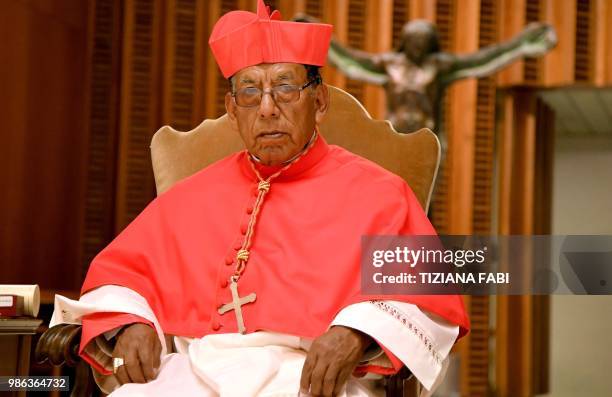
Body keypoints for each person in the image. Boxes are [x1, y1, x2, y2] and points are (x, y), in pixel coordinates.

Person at [51, 1, 469, 396]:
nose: (267, 108)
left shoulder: (380, 194)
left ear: (319, 101)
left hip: (311, 377)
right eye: (250, 92)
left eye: (285, 88)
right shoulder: (193, 194)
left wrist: (358, 332)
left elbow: (424, 296)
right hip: (189, 371)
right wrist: (130, 321)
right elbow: (121, 276)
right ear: (233, 111)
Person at [295, 15, 556, 151]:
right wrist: (313, 33)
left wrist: (520, 45)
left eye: (423, 40)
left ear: (430, 43)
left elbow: (482, 60)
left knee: (423, 200)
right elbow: (349, 59)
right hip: (393, 135)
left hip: (429, 137)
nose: (417, 45)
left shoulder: (439, 66)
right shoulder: (390, 65)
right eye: (413, 39)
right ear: (405, 41)